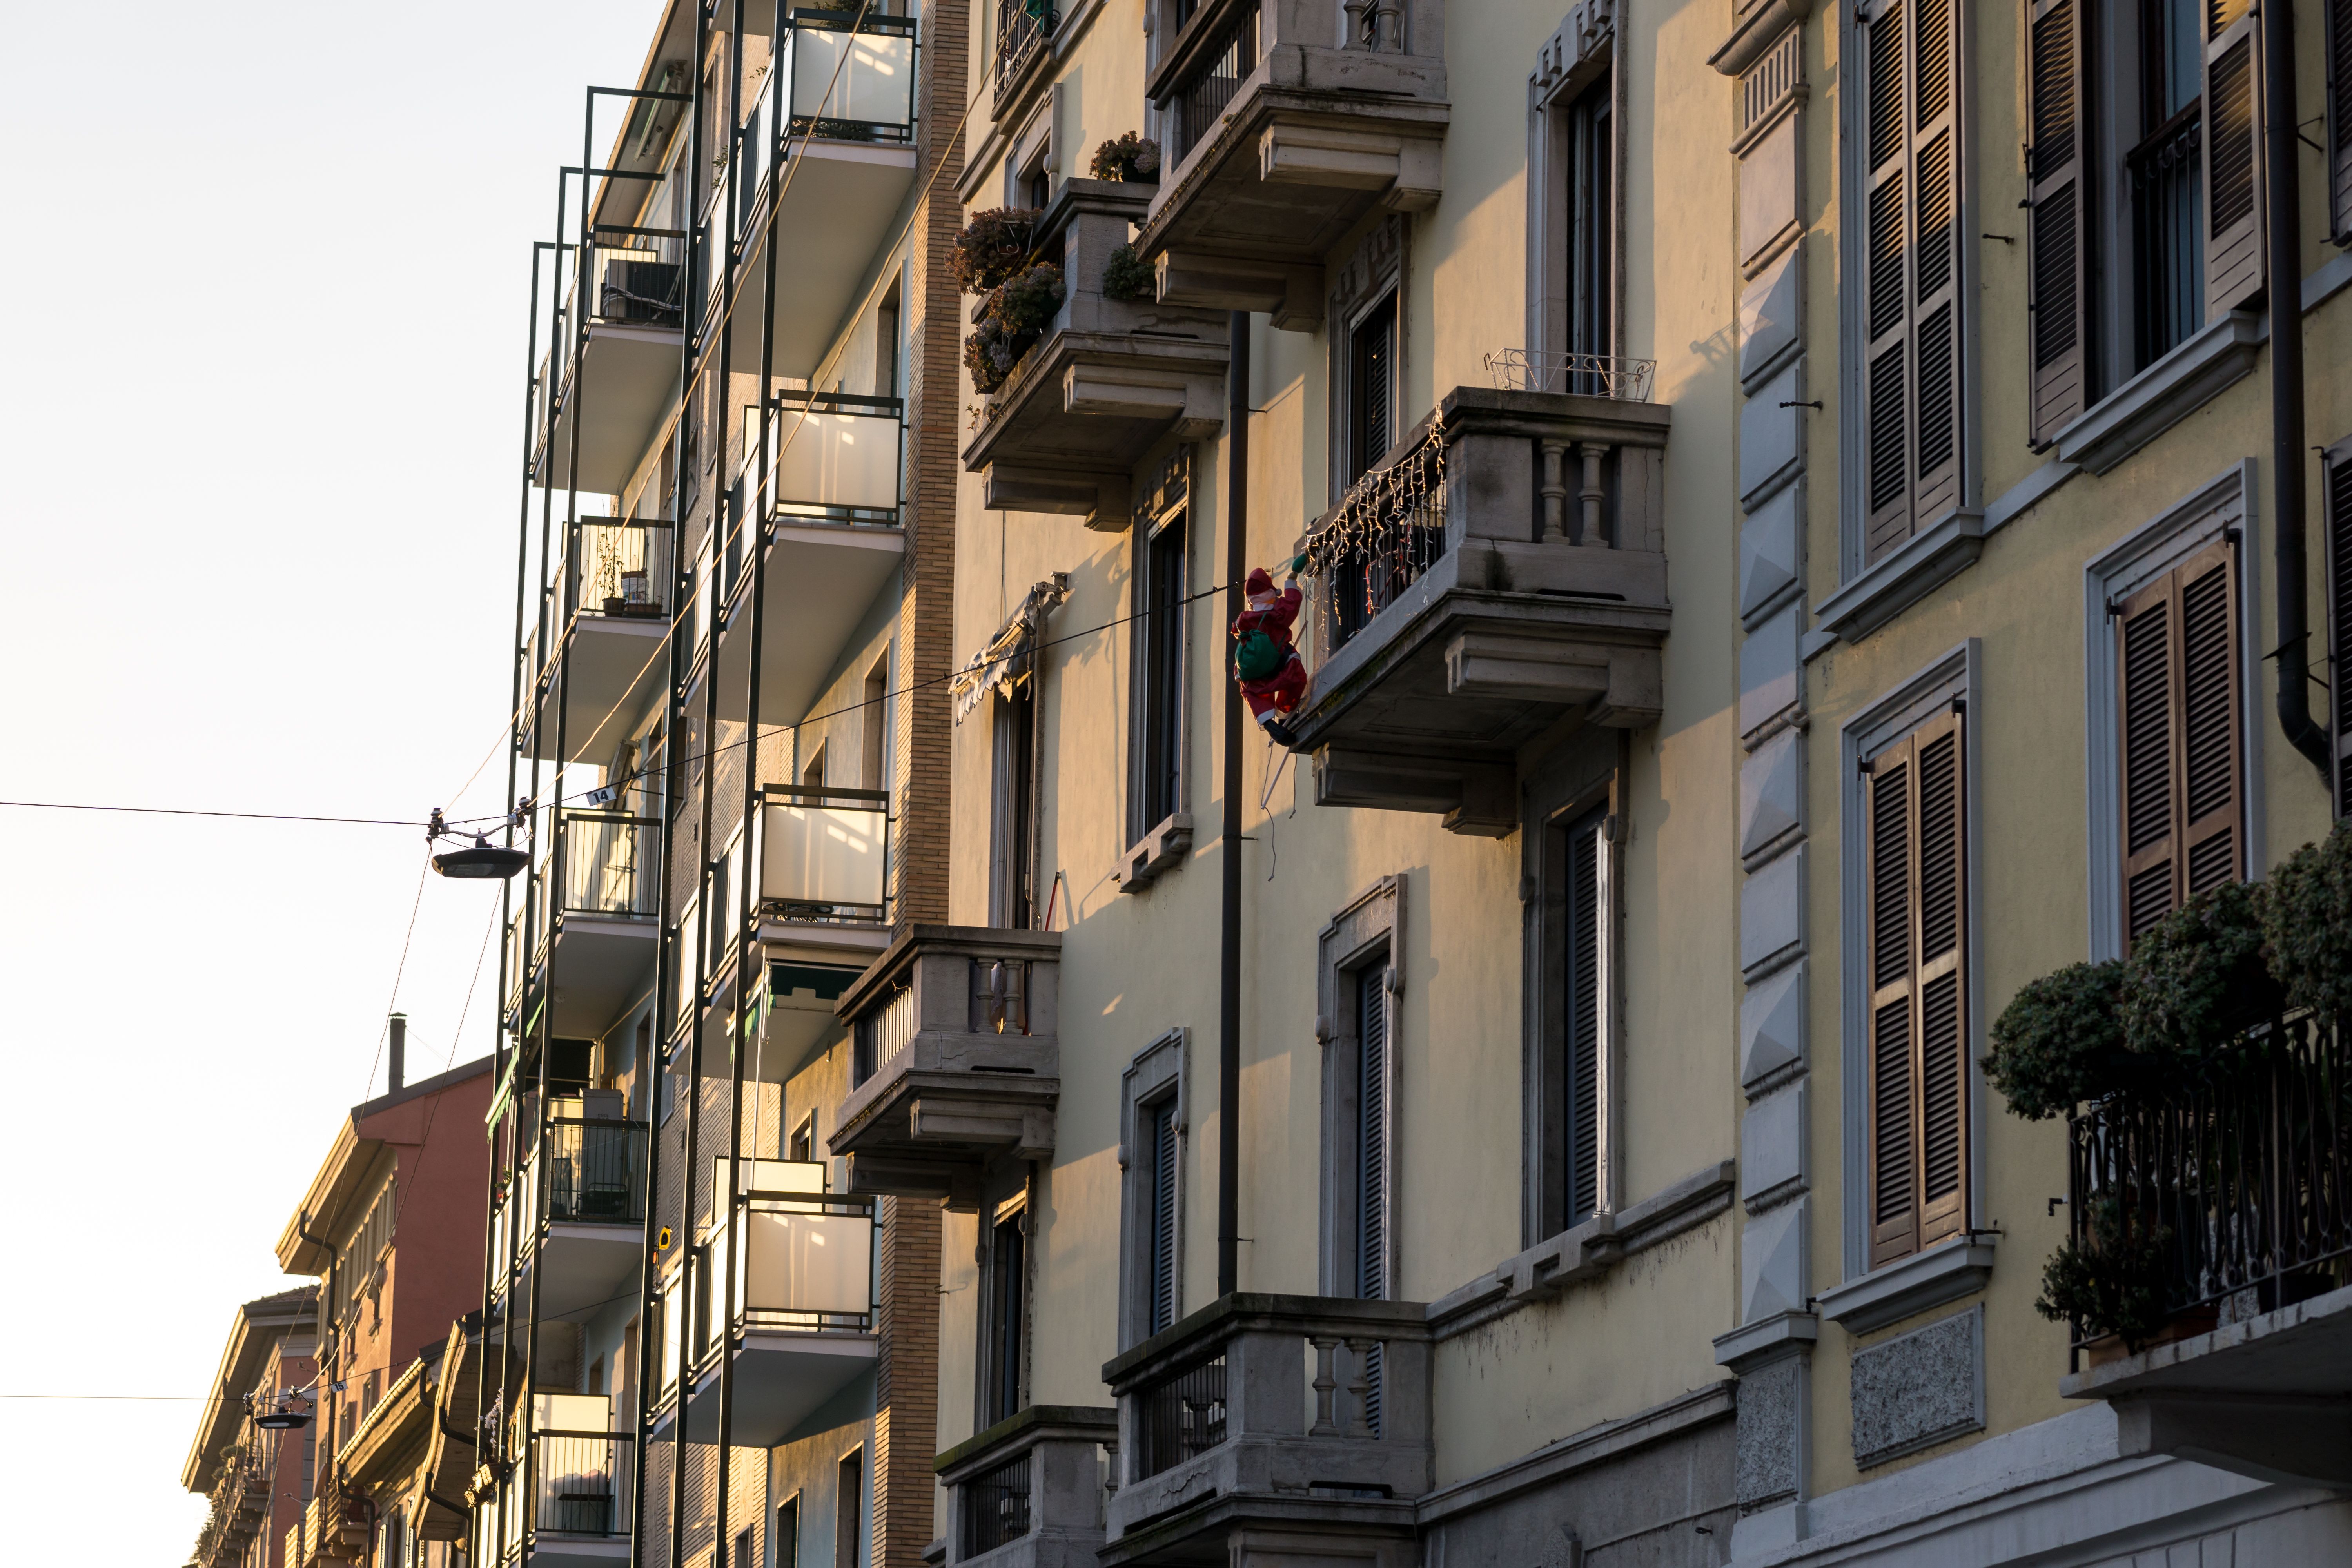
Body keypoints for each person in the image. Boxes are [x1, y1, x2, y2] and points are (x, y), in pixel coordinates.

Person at [1232, 561, 1307, 747]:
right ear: (1270, 593)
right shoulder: (1278, 612)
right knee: (1294, 672)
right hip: (1279, 661)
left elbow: (1235, 630)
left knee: (1249, 687)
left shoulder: (1244, 619)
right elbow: (1293, 604)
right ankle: (1286, 713)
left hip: (1254, 667)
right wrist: (1291, 578)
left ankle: (1267, 721)